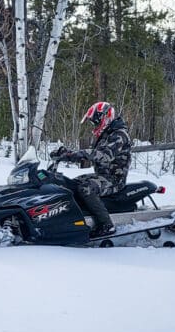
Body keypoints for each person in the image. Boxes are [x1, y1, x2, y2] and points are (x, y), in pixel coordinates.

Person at [52, 101, 132, 238]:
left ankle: (106, 225)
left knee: (86, 188)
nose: (94, 125)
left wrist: (81, 154)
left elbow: (104, 156)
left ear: (105, 118)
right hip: (103, 176)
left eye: (95, 122)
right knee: (72, 183)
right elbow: (93, 154)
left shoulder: (119, 135)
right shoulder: (106, 134)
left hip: (114, 179)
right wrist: (67, 154)